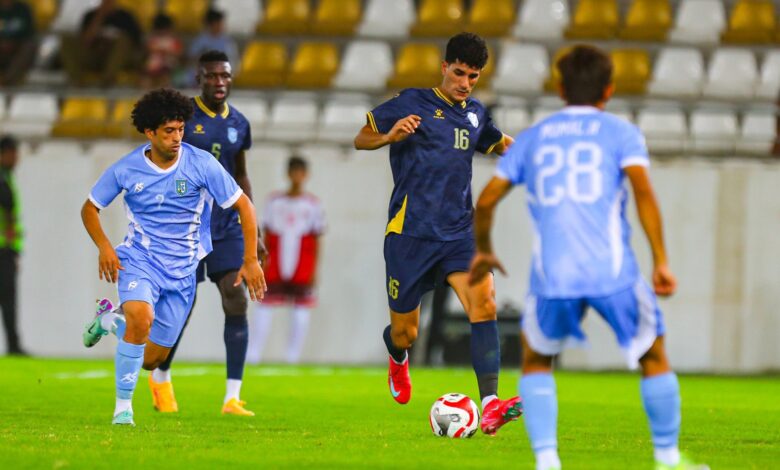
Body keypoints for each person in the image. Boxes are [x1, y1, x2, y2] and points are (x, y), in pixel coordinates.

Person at [470, 45, 708, 470]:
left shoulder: (534, 138)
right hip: (612, 272)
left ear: (560, 89)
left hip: (553, 276)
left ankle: (547, 461)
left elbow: (486, 202)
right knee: (653, 355)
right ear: (609, 89)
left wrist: (485, 250)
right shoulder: (621, 133)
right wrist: (661, 261)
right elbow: (643, 193)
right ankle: (668, 458)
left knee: (537, 360)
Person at [353, 32, 522, 435]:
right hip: (410, 234)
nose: (465, 83)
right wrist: (390, 136)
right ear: (444, 67)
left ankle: (491, 404)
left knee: (484, 304)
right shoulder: (411, 102)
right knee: (405, 332)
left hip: (459, 233)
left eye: (473, 77)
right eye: (459, 73)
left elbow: (500, 143)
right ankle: (397, 355)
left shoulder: (475, 114)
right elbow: (361, 138)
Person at [80, 88, 265, 426]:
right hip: (140, 260)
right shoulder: (127, 169)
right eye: (169, 131)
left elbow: (244, 206)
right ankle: (123, 409)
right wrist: (105, 247)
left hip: (182, 272)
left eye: (180, 129)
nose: (177, 137)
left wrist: (250, 259)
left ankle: (108, 321)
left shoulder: (201, 163)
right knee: (140, 318)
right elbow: (90, 207)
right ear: (149, 132)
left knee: (151, 359)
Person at [147, 50, 262, 417]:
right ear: (199, 79)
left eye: (225, 76)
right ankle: (161, 377)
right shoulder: (183, 119)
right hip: (186, 227)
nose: (219, 82)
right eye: (212, 76)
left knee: (236, 298)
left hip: (226, 227)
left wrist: (254, 231)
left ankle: (232, 397)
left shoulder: (239, 123)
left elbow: (241, 175)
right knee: (183, 305)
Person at [247, 156, 325, 365]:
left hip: (302, 264)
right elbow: (264, 233)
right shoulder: (274, 202)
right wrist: (260, 263)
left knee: (300, 310)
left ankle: (293, 357)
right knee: (264, 306)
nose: (297, 176)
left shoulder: (312, 205)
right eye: (294, 171)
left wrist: (314, 270)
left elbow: (317, 237)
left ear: (306, 175)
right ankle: (253, 354)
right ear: (288, 174)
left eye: (301, 172)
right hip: (275, 263)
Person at [60, 0, 142, 87]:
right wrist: (99, 17)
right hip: (96, 55)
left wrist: (112, 42)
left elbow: (136, 42)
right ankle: (76, 80)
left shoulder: (126, 17)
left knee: (123, 41)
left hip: (119, 58)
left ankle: (107, 79)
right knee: (66, 39)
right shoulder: (90, 16)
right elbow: (85, 41)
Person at [0, 135, 26, 355]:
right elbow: (9, 218)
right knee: (8, 299)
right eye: (13, 153)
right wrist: (12, 248)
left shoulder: (6, 178)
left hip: (6, 249)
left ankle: (14, 345)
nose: (16, 158)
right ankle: (14, 346)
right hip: (3, 250)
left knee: (9, 299)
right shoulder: (2, 180)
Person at [187, 8, 239, 86]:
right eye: (219, 23)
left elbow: (233, 61)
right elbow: (192, 59)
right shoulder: (200, 40)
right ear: (211, 24)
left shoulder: (228, 42)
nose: (222, 26)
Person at [141, 13, 183, 89]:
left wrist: (167, 53)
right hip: (153, 67)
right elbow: (148, 50)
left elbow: (178, 53)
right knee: (146, 79)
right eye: (160, 30)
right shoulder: (153, 40)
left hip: (169, 67)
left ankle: (164, 90)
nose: (163, 32)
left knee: (165, 77)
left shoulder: (173, 40)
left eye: (165, 30)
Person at [0, 0, 36, 86]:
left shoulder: (23, 9)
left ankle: (6, 80)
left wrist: (13, 42)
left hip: (17, 47)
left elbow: (30, 32)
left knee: (30, 46)